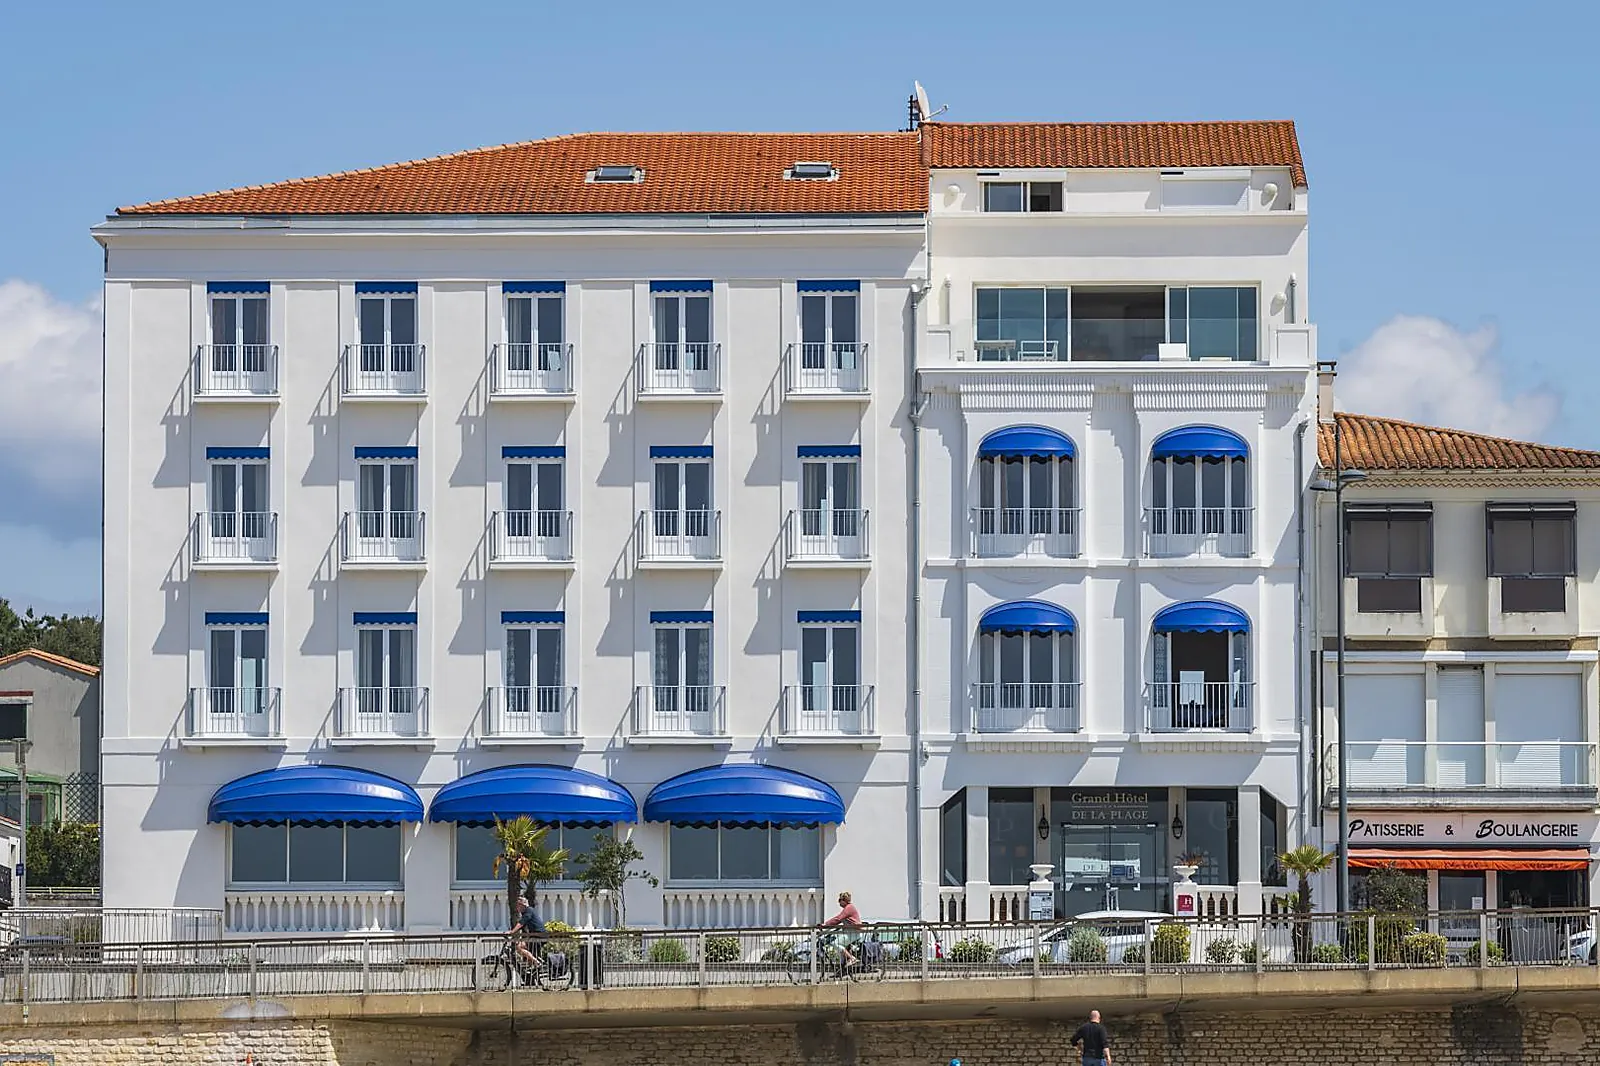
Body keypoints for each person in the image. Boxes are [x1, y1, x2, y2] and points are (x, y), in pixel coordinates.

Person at [820, 890, 865, 970]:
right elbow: (839, 920)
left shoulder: (849, 908)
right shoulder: (848, 908)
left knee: (836, 943)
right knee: (837, 942)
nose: (839, 903)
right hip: (850, 932)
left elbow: (838, 919)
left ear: (844, 901)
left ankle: (852, 958)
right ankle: (842, 965)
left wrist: (825, 925)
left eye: (839, 900)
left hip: (854, 933)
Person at [507, 894, 546, 978]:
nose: (517, 908)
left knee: (519, 947)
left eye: (518, 905)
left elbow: (521, 923)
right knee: (526, 953)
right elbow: (524, 929)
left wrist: (511, 932)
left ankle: (536, 962)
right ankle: (532, 975)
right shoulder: (526, 912)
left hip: (539, 936)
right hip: (535, 936)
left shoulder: (529, 911)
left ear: (522, 905)